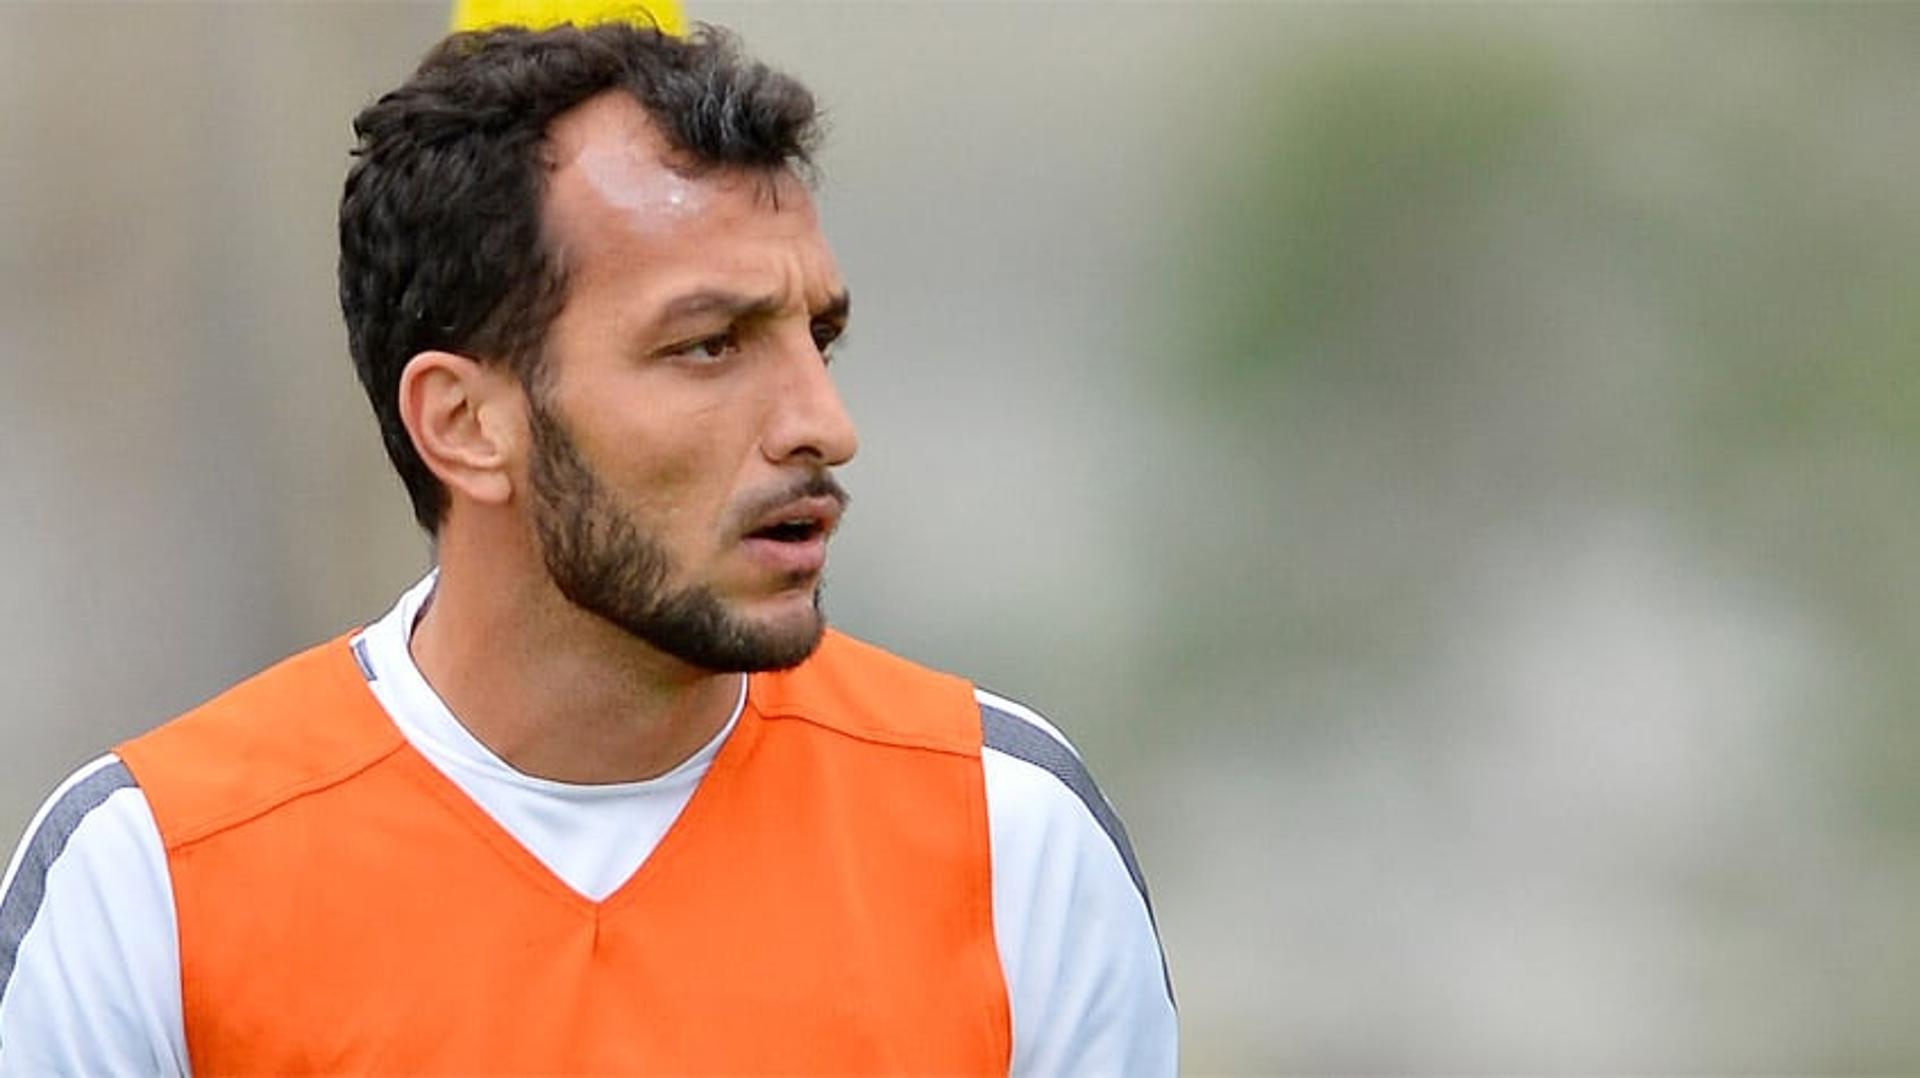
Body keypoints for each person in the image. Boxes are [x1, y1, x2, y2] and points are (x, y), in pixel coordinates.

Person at [0, 8, 1176, 1074]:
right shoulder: (150, 876)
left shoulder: (1008, 833)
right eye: (710, 345)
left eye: (817, 336)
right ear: (464, 425)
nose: (825, 424)